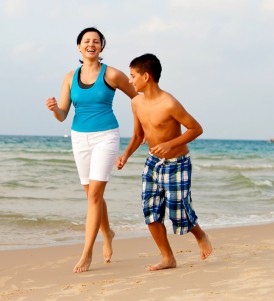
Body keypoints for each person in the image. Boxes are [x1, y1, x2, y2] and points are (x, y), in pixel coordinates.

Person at [45, 27, 138, 273]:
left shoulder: (113, 74)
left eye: (96, 41)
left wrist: (146, 125)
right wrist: (54, 108)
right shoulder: (69, 77)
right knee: (91, 196)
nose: (91, 44)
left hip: (106, 136)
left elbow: (137, 98)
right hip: (79, 138)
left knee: (95, 195)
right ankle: (107, 233)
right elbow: (63, 116)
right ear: (79, 47)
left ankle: (86, 253)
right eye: (86, 41)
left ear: (101, 47)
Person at [115, 53, 213, 271]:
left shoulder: (169, 103)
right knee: (150, 211)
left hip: (177, 163)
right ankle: (168, 258)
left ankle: (200, 234)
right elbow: (138, 135)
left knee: (178, 209)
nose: (130, 80)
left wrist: (170, 144)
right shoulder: (136, 102)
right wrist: (125, 156)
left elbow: (196, 128)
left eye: (132, 76)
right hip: (152, 163)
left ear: (146, 76)